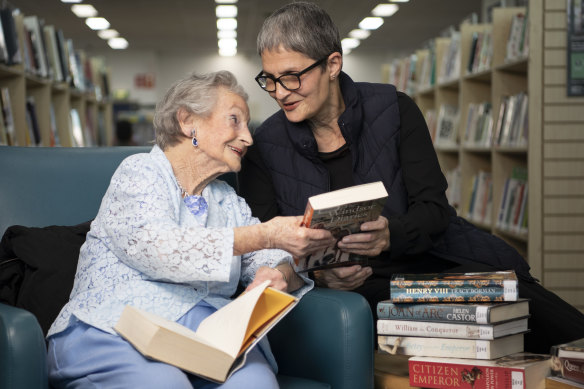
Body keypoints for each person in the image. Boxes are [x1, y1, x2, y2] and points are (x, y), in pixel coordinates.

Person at [239, 1, 584, 354]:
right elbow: (267, 247)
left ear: (332, 64)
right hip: (358, 290)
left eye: (292, 76)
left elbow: (434, 209)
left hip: (428, 262)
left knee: (541, 315)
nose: (280, 92)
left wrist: (391, 236)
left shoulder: (394, 109)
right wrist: (318, 276)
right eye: (270, 79)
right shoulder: (265, 145)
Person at [46, 70, 336, 389]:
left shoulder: (228, 201)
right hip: (115, 330)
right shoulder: (139, 172)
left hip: (202, 344)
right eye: (234, 120)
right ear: (188, 121)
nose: (248, 137)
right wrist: (265, 234)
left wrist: (280, 273)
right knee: (163, 384)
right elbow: (160, 248)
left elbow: (273, 258)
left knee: (256, 384)